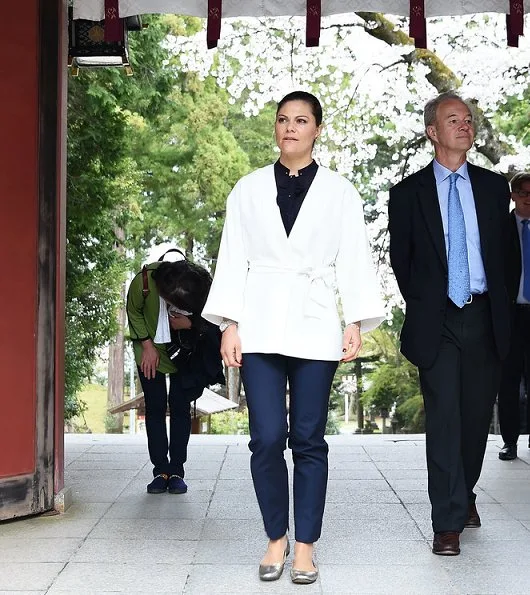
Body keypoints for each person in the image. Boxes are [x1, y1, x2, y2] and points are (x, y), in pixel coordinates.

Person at [202, 91, 385, 584]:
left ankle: (305, 545)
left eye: (301, 120)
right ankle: (275, 538)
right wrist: (229, 323)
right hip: (258, 321)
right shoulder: (247, 188)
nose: (290, 128)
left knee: (307, 438)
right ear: (276, 128)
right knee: (265, 438)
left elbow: (353, 259)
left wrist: (354, 320)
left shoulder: (341, 192)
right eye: (283, 119)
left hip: (315, 318)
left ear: (317, 129)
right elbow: (232, 257)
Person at [388, 91, 511, 556]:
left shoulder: (494, 188)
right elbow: (403, 261)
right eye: (453, 119)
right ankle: (447, 519)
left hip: (483, 315)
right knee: (444, 418)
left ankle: (466, 491)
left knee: (475, 419)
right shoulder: (407, 194)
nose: (465, 125)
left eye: (468, 119)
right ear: (432, 132)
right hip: (436, 319)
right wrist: (425, 305)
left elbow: (506, 259)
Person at [127, 256, 224, 495]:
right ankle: (160, 470)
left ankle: (177, 469)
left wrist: (189, 324)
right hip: (150, 349)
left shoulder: (197, 284)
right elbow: (133, 310)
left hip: (185, 353)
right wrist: (147, 345)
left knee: (180, 407)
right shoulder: (144, 281)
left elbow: (212, 322)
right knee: (155, 405)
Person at [498, 172, 530, 461]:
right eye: (523, 192)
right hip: (510, 316)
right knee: (507, 382)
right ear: (513, 195)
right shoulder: (501, 228)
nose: (528, 198)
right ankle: (509, 441)